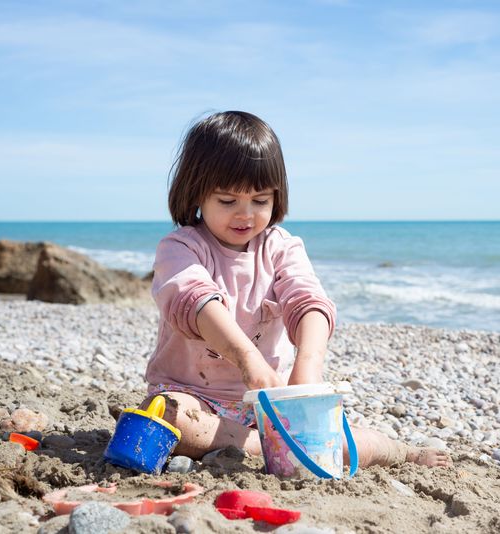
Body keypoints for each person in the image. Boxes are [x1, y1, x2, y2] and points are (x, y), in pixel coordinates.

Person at [143, 111, 450, 470]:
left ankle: (396, 450)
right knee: (168, 418)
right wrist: (247, 359)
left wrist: (308, 366)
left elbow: (308, 302)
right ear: (196, 192)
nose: (245, 214)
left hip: (271, 403)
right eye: (227, 201)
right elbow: (195, 301)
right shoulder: (180, 248)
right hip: (194, 396)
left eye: (260, 200)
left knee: (342, 440)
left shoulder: (281, 248)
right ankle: (272, 447)